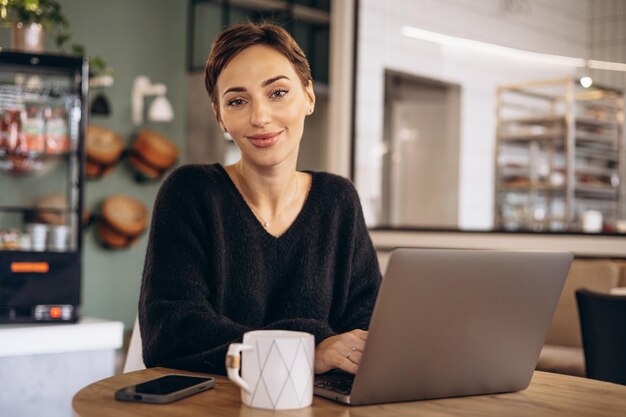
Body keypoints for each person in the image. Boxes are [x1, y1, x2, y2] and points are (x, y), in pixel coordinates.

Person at [138, 21, 381, 376]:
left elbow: (367, 328)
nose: (260, 117)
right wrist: (307, 351)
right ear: (220, 117)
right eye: (237, 101)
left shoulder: (338, 200)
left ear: (308, 98)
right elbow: (171, 332)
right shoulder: (190, 192)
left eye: (278, 93)